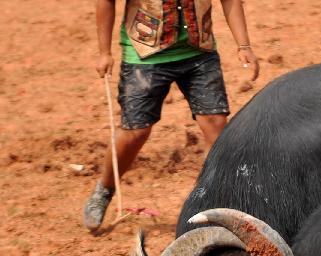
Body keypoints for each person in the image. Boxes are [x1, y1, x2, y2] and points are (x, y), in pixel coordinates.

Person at [84, 0, 260, 231]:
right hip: (145, 55)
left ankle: (210, 199)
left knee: (215, 126)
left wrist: (244, 45)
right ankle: (104, 189)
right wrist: (104, 52)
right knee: (135, 132)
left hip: (199, 52)